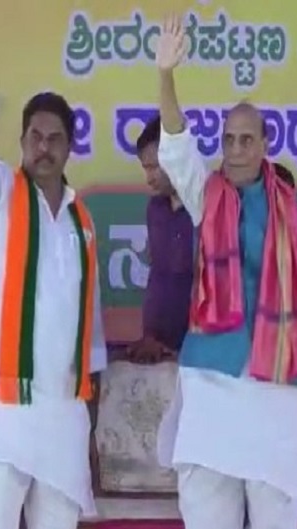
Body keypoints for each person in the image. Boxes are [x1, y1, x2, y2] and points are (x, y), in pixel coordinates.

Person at [154, 16, 297, 529]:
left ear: (265, 145)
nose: (234, 150)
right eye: (228, 139)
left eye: (245, 140)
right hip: (212, 385)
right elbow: (176, 147)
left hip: (279, 391)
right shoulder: (206, 198)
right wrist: (165, 76)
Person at [0, 23, 107, 529]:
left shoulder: (82, 222)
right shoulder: (0, 194)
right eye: (35, 137)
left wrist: (88, 414)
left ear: (69, 147)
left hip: (62, 412)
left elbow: (88, 328)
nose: (44, 147)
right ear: (21, 143)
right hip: (3, 408)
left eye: (55, 138)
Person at [126, 115, 193, 363]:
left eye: (154, 167)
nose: (149, 177)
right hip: (158, 348)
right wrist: (150, 335)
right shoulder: (155, 209)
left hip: (198, 348)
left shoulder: (208, 208)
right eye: (145, 168)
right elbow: (158, 275)